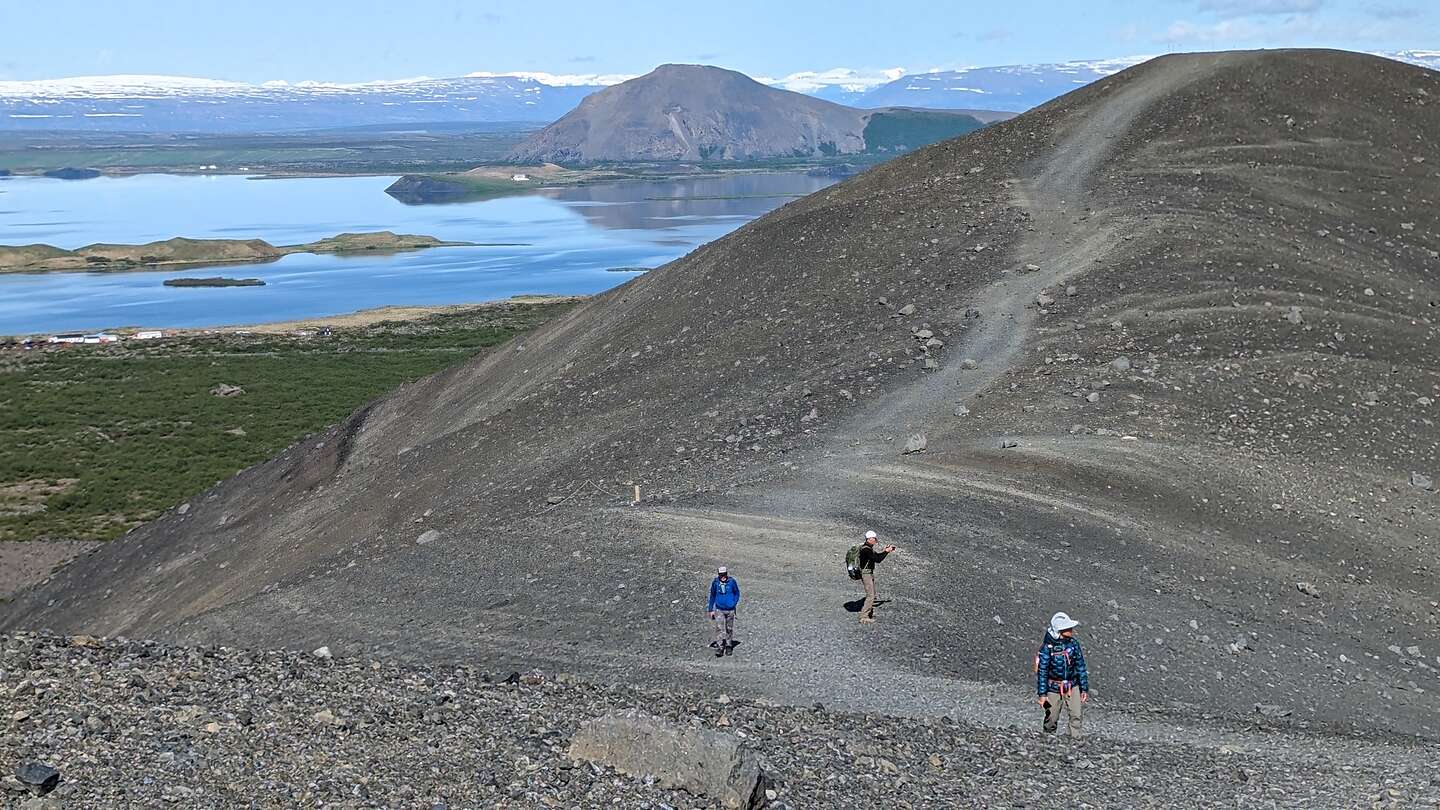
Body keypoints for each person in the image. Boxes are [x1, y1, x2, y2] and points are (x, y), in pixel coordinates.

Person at [1036, 611, 1090, 738]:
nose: (1071, 630)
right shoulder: (1046, 648)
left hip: (1072, 686)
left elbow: (1080, 666)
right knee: (1051, 715)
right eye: (1067, 628)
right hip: (1053, 688)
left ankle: (1075, 739)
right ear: (1059, 630)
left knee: (1076, 714)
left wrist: (1084, 688)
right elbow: (1042, 672)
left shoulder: (1074, 645)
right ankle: (1048, 738)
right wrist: (1042, 694)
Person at [856, 530, 897, 624]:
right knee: (871, 595)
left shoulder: (868, 548)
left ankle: (869, 613)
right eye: (874, 539)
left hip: (869, 573)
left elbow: (877, 556)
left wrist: (885, 551)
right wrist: (886, 552)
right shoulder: (866, 550)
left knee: (872, 594)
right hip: (866, 574)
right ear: (869, 539)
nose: (875, 540)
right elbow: (877, 559)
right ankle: (864, 616)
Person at [707, 566, 740, 657]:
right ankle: (720, 646)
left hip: (730, 609)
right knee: (719, 628)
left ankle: (729, 645)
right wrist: (711, 609)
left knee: (729, 628)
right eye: (721, 575)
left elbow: (737, 592)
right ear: (718, 575)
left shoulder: (732, 582)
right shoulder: (715, 583)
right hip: (719, 609)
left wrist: (734, 602)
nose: (723, 576)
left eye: (724, 574)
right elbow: (712, 596)